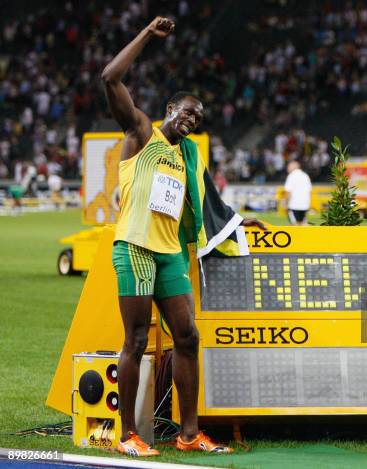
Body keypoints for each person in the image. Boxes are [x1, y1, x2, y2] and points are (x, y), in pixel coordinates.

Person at [102, 16, 264, 457]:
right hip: (135, 248)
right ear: (169, 109)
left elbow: (207, 199)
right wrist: (145, 37)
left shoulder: (188, 156)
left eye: (198, 115)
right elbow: (109, 77)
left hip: (170, 253)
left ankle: (189, 434)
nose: (192, 118)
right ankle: (128, 436)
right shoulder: (140, 133)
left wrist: (235, 222)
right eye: (186, 111)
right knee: (135, 340)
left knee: (188, 337)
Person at [283, 160, 312, 225]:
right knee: (303, 224)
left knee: (294, 225)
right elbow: (309, 190)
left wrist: (285, 203)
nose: (287, 168)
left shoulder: (291, 176)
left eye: (289, 166)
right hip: (305, 205)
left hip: (294, 205)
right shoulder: (305, 176)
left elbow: (288, 191)